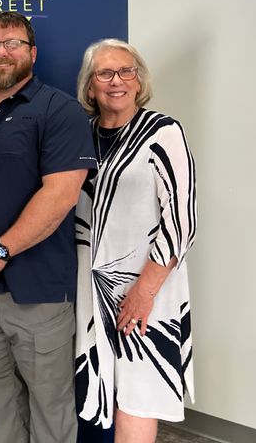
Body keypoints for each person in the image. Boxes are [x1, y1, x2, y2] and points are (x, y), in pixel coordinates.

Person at [0, 11, 96, 443]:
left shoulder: (60, 111)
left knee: (51, 411)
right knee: (1, 409)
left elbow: (61, 194)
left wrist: (1, 251)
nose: (1, 52)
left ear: (32, 53)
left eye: (11, 44)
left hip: (38, 294)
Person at [74, 40, 196, 442]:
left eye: (127, 71)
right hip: (90, 290)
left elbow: (180, 220)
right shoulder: (79, 137)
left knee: (139, 393)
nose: (117, 81)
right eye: (105, 74)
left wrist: (144, 291)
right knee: (101, 385)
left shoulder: (163, 132)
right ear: (90, 87)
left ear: (139, 80)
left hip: (146, 288)